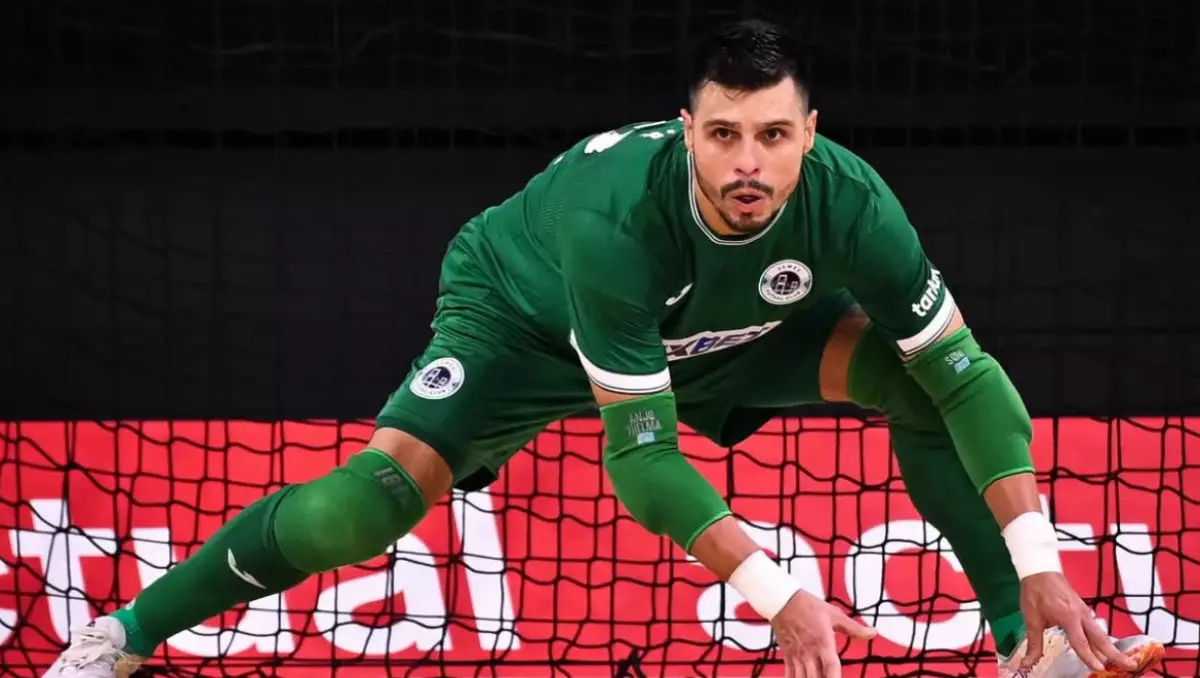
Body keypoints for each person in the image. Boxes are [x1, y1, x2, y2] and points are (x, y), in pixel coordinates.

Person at [45, 18, 1163, 678]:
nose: (749, 164)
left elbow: (968, 378)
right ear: (688, 131)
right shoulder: (614, 220)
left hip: (729, 335)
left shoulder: (853, 203)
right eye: (723, 135)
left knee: (919, 381)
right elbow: (641, 457)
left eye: (774, 136)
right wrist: (775, 590)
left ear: (810, 135)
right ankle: (123, 637)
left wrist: (1040, 562)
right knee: (360, 509)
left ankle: (1032, 643)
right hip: (526, 323)